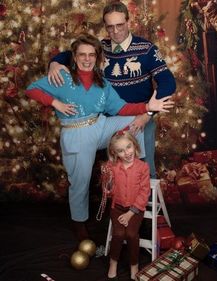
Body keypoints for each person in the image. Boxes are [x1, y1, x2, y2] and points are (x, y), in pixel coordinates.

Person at [25, 33, 174, 245]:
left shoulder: (102, 83)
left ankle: (135, 172)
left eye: (91, 55)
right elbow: (31, 90)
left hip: (100, 125)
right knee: (80, 182)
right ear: (75, 58)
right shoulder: (63, 78)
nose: (87, 59)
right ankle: (79, 223)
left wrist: (148, 108)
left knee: (135, 121)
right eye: (82, 55)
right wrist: (55, 104)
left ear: (97, 57)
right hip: (76, 133)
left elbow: (122, 108)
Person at [47, 1, 176, 179]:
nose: (115, 32)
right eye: (110, 27)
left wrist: (147, 115)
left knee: (143, 169)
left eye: (120, 25)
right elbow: (69, 55)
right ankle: (120, 206)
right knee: (115, 172)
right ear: (106, 27)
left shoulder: (146, 49)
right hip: (109, 122)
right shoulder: (101, 48)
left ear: (129, 22)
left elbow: (168, 82)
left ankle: (146, 205)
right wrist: (54, 63)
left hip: (140, 118)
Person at [102, 130, 150, 280]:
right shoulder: (112, 167)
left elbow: (144, 192)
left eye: (129, 147)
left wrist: (131, 213)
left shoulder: (143, 167)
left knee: (131, 234)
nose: (127, 153)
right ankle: (113, 261)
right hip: (117, 208)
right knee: (118, 234)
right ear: (115, 153)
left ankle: (134, 264)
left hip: (135, 210)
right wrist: (107, 180)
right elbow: (108, 193)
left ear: (134, 145)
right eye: (121, 151)